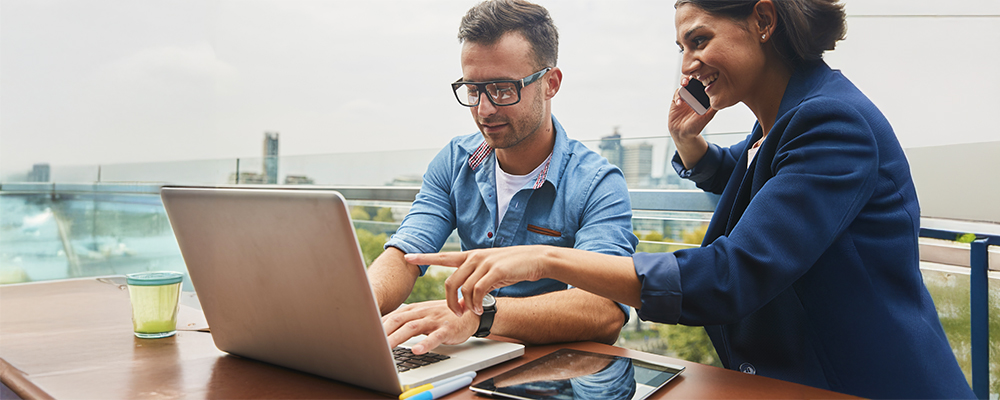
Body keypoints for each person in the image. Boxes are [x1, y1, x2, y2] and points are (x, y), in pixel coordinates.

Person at [407, 0, 976, 398]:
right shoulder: (780, 123)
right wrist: (691, 145)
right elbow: (756, 177)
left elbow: (728, 277)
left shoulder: (831, 122)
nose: (687, 64)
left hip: (863, 385)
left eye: (699, 40)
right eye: (681, 46)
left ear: (763, 19)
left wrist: (543, 257)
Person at [371, 0, 638, 356]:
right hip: (469, 360)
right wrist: (358, 305)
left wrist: (480, 318)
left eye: (501, 89)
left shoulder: (596, 183)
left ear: (550, 83)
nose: (484, 110)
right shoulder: (455, 161)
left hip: (554, 372)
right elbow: (407, 251)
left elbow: (606, 311)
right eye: (472, 90)